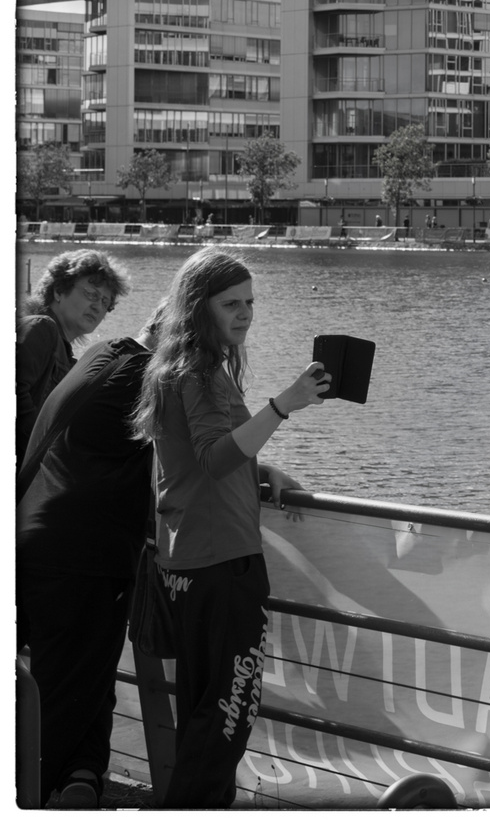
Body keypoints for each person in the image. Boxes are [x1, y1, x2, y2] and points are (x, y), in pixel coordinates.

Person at [130, 250, 328, 808]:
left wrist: (260, 470)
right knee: (227, 718)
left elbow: (187, 461)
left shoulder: (174, 367)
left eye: (250, 303)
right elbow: (215, 459)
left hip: (186, 563)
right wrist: (283, 404)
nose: (244, 315)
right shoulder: (201, 371)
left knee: (203, 707)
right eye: (230, 304)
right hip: (222, 566)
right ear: (199, 308)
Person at [17, 308, 160, 808]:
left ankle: (82, 778)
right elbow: (196, 460)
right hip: (85, 558)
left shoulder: (104, 354)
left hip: (34, 534)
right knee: (64, 693)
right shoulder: (152, 376)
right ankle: (28, 795)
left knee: (83, 680)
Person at [17, 250, 131, 460]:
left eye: (106, 303)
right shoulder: (40, 328)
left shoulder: (68, 359)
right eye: (91, 295)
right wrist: (43, 453)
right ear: (59, 291)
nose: (98, 306)